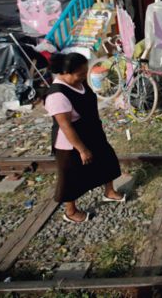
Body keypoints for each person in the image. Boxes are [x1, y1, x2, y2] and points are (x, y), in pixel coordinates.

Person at [45, 52, 124, 223]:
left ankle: (109, 192)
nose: (83, 76)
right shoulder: (57, 95)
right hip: (71, 142)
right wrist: (82, 149)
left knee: (107, 160)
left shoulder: (79, 83)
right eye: (80, 74)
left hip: (92, 132)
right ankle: (70, 211)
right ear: (66, 72)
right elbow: (65, 126)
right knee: (71, 176)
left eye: (84, 73)